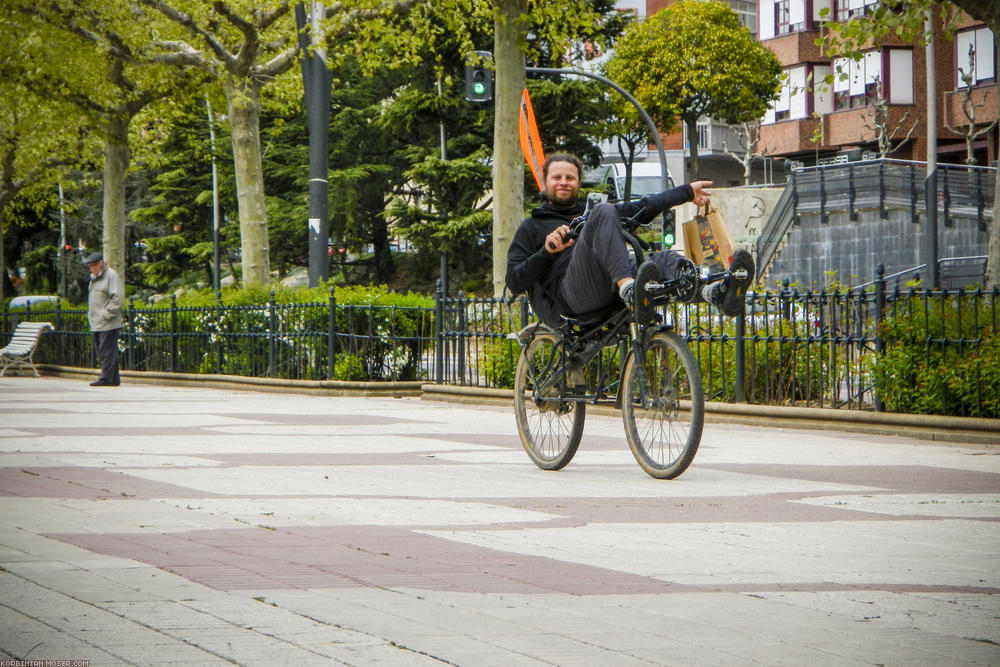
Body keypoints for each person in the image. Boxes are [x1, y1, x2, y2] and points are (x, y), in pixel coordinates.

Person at [505, 153, 755, 329]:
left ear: (579, 183)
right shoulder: (532, 226)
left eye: (570, 178)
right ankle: (630, 290)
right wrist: (547, 252)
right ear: (545, 182)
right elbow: (514, 281)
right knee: (603, 211)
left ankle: (715, 293)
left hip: (610, 286)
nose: (563, 183)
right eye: (556, 178)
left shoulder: (592, 215)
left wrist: (686, 192)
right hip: (574, 296)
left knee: (665, 259)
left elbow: (641, 208)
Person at [84, 252, 123, 386]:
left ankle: (106, 378)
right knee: (104, 350)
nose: (92, 269)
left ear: (101, 263)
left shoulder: (110, 275)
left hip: (108, 322)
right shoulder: (94, 278)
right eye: (90, 266)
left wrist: (105, 314)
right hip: (97, 322)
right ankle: (113, 378)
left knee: (106, 351)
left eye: (94, 265)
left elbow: (117, 299)